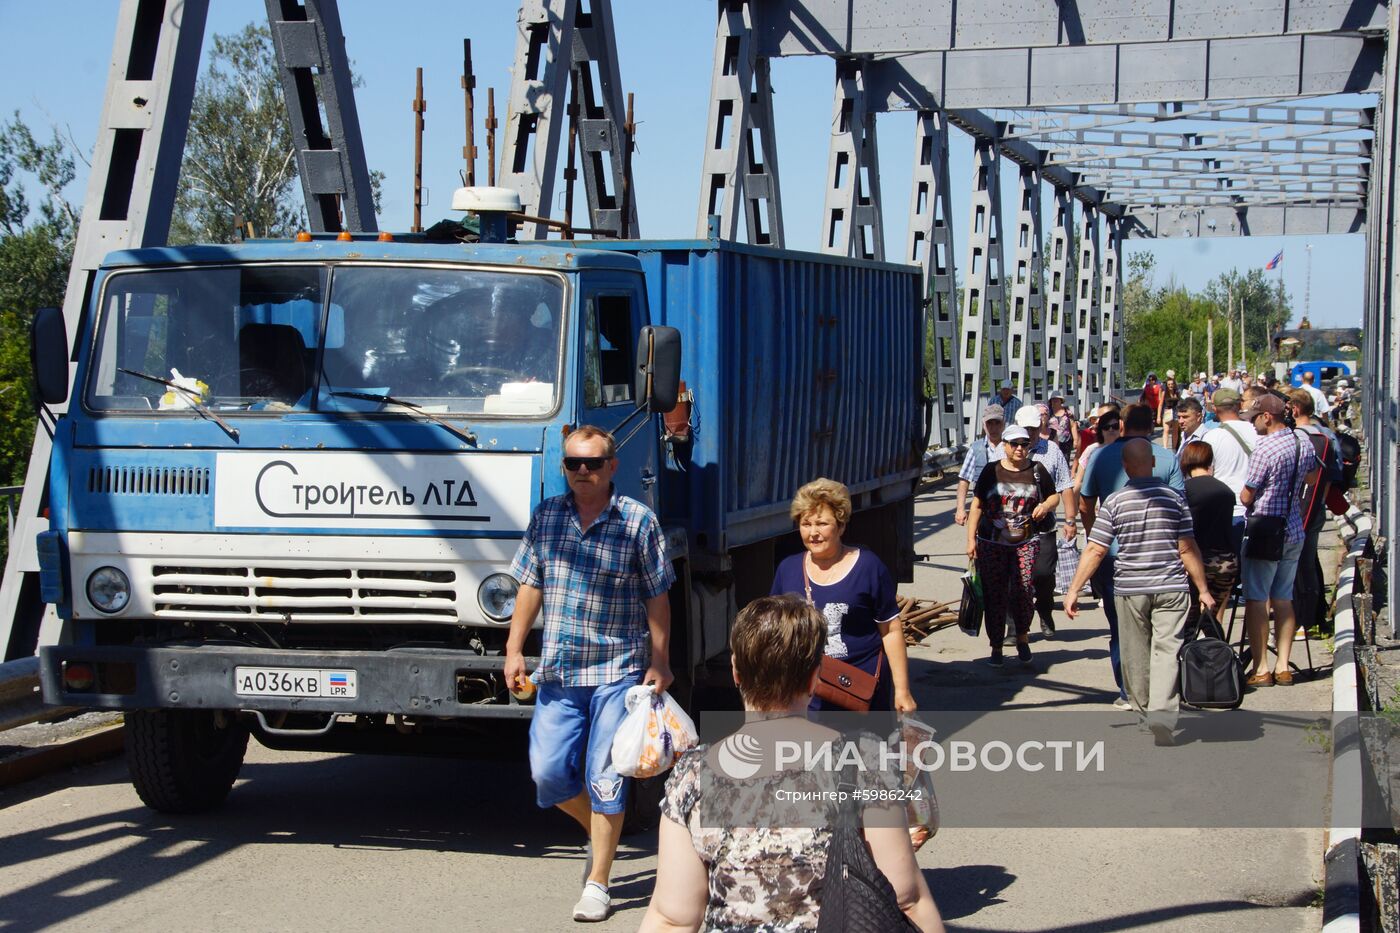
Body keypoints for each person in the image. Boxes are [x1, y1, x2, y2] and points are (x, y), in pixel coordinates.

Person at [639, 595, 944, 933]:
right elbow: (906, 897)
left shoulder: (693, 776)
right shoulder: (863, 762)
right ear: (816, 677)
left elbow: (673, 918)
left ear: (736, 672)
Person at [504, 426, 676, 923]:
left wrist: (660, 660)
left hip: (617, 672)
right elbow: (530, 584)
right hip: (558, 671)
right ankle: (602, 834)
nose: (583, 472)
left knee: (605, 778)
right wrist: (515, 649)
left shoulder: (638, 522)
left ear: (612, 467)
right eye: (574, 463)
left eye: (593, 463)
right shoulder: (548, 516)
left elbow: (657, 595)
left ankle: (598, 880)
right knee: (549, 776)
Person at [1066, 440, 1215, 745]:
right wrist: (1203, 589)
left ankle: (1147, 710)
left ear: (1125, 466)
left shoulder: (1115, 502)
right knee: (1166, 652)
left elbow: (1095, 549)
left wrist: (1074, 590)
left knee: (1135, 654)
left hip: (1130, 589)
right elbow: (1186, 547)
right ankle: (1162, 714)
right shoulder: (1175, 499)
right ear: (1153, 464)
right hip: (1171, 586)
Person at [771, 478, 916, 713]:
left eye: (822, 523)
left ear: (841, 526)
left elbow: (890, 630)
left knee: (867, 749)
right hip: (807, 697)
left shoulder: (868, 567)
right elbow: (775, 632)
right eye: (806, 524)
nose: (813, 532)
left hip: (861, 693)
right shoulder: (788, 570)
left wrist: (903, 691)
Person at [1079, 403, 1184, 707]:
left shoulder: (1101, 456)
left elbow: (1085, 504)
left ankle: (1129, 692)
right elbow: (1179, 506)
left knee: (1122, 630)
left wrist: (1094, 535)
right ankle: (1162, 696)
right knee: (1162, 635)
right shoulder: (1166, 458)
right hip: (1162, 557)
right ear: (1152, 427)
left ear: (1122, 427)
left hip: (1114, 558)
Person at [1237, 393, 1321, 687]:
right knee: (1284, 597)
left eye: (1254, 418)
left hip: (1265, 530)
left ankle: (1261, 668)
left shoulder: (1265, 448)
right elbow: (1311, 478)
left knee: (1257, 598)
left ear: (1267, 417)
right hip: (1294, 528)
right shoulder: (1302, 441)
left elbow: (1247, 494)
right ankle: (1284, 665)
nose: (1253, 424)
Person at [967, 424, 1060, 668]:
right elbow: (976, 506)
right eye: (1015, 444)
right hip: (992, 542)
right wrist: (970, 540)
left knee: (1023, 591)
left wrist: (1045, 506)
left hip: (1026, 542)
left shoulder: (1036, 470)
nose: (1020, 449)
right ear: (1005, 446)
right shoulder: (991, 471)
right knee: (995, 593)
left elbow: (1054, 495)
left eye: (1024, 444)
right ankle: (996, 645)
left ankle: (1022, 638)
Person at [1288, 389, 1344, 637]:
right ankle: (1313, 616)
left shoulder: (1295, 438)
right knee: (1309, 562)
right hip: (1315, 507)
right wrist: (1319, 499)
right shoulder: (1327, 435)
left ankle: (1303, 618)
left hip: (1297, 509)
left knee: (1296, 566)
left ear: (1296, 409)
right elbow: (1332, 476)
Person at [1179, 440, 1241, 634]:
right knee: (1210, 617)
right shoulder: (1226, 492)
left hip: (1198, 559)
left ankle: (1186, 661)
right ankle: (1220, 657)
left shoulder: (1185, 492)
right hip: (1226, 562)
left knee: (1190, 619)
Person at [1203, 388, 1253, 557]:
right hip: (1255, 509)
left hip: (1227, 512)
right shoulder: (1257, 431)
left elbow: (1206, 475)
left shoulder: (1211, 437)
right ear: (1239, 405)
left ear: (1215, 409)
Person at [955, 404, 1006, 527]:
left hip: (1007, 510)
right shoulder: (976, 448)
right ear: (984, 425)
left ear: (1004, 424)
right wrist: (960, 509)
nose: (993, 428)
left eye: (997, 423)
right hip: (982, 509)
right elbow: (964, 480)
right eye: (989, 423)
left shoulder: (1011, 447)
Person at [1048, 393, 1077, 462]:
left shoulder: (1067, 412)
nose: (1055, 401)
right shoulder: (1048, 412)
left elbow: (1073, 425)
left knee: (1065, 460)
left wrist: (1075, 440)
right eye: (1053, 400)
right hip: (1052, 441)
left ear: (1061, 401)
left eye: (1057, 400)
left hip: (1065, 441)